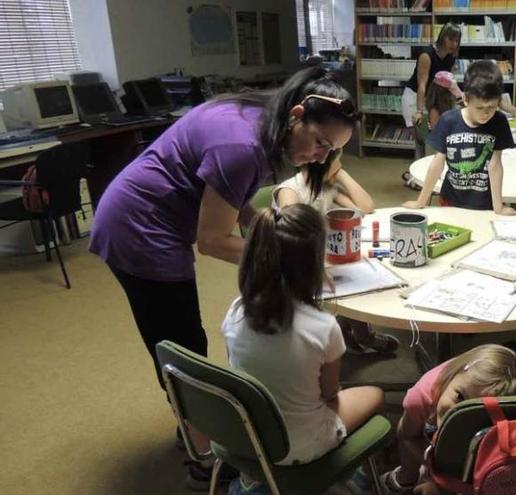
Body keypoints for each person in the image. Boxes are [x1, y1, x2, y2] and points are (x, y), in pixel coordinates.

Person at [88, 66, 361, 489]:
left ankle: (194, 428)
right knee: (181, 344)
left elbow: (234, 204)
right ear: (298, 114)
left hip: (153, 214)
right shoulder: (241, 145)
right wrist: (290, 260)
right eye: (321, 142)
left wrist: (267, 228)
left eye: (333, 151)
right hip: (139, 227)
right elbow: (212, 241)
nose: (322, 157)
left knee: (181, 336)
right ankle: (200, 455)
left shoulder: (259, 120)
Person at [223, 204, 384, 495]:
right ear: (313, 262)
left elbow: (236, 370)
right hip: (297, 446)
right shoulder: (323, 327)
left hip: (246, 434)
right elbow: (329, 393)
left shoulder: (235, 312)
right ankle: (335, 474)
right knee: (373, 394)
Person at [272, 161, 400, 355]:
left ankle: (356, 333)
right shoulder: (290, 190)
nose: (340, 164)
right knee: (352, 280)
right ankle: (353, 334)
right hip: (295, 262)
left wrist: (342, 175)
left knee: (361, 273)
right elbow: (292, 233)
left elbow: (366, 207)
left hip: (324, 253)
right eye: (337, 160)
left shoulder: (326, 187)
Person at [379, 344, 516, 494]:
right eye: (460, 396)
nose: (459, 411)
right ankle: (405, 478)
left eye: (480, 411)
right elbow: (407, 435)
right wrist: (433, 472)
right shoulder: (421, 397)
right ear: (450, 378)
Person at [403, 60, 516, 215]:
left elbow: (495, 165)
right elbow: (437, 163)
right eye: (480, 108)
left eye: (491, 107)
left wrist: (498, 207)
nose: (486, 113)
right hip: (450, 200)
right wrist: (421, 201)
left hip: (485, 203)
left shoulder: (499, 122)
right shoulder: (448, 120)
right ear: (465, 99)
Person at [402, 23, 461, 129]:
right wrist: (419, 111)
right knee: (421, 137)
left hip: (431, 100)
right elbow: (422, 85)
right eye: (451, 39)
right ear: (443, 37)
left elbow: (449, 84)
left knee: (433, 138)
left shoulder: (451, 58)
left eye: (457, 41)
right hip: (415, 97)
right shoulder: (427, 55)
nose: (454, 44)